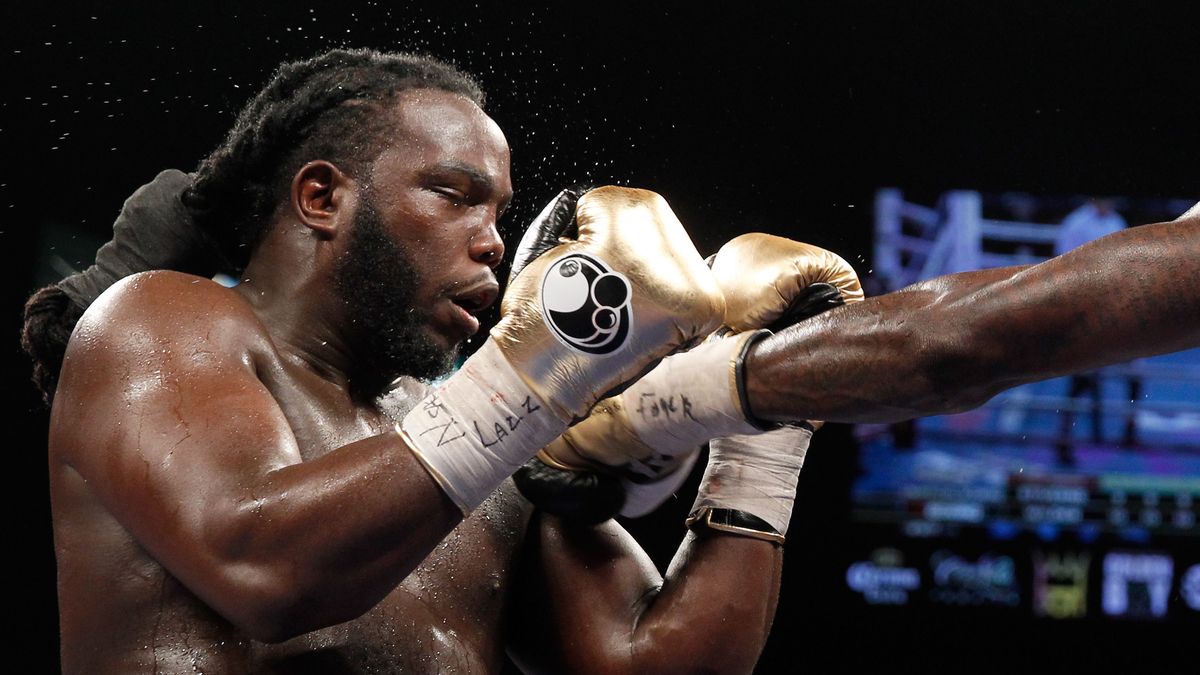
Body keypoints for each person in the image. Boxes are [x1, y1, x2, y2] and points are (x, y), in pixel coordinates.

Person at [22, 48, 856, 674]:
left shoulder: (468, 435)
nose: (494, 240)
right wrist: (531, 376)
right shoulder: (162, 322)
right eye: (454, 194)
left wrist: (761, 441)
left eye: (501, 211)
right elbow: (265, 568)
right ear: (323, 198)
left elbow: (650, 663)